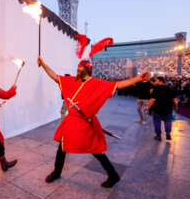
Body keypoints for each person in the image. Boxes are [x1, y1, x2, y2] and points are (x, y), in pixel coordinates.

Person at [37, 57, 150, 188]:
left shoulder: (97, 83)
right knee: (62, 146)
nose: (78, 69)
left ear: (88, 69)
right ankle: (57, 172)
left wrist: (138, 78)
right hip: (71, 121)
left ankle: (113, 175)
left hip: (85, 123)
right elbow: (54, 76)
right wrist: (43, 64)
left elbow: (118, 85)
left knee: (96, 150)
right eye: (78, 66)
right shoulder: (71, 81)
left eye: (80, 67)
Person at [144, 76, 178, 141]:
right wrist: (176, 106)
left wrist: (148, 107)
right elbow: (175, 99)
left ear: (161, 81)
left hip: (157, 109)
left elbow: (152, 100)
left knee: (157, 122)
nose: (155, 82)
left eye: (156, 80)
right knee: (168, 121)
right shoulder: (170, 88)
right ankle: (168, 133)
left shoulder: (156, 89)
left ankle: (158, 135)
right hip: (168, 109)